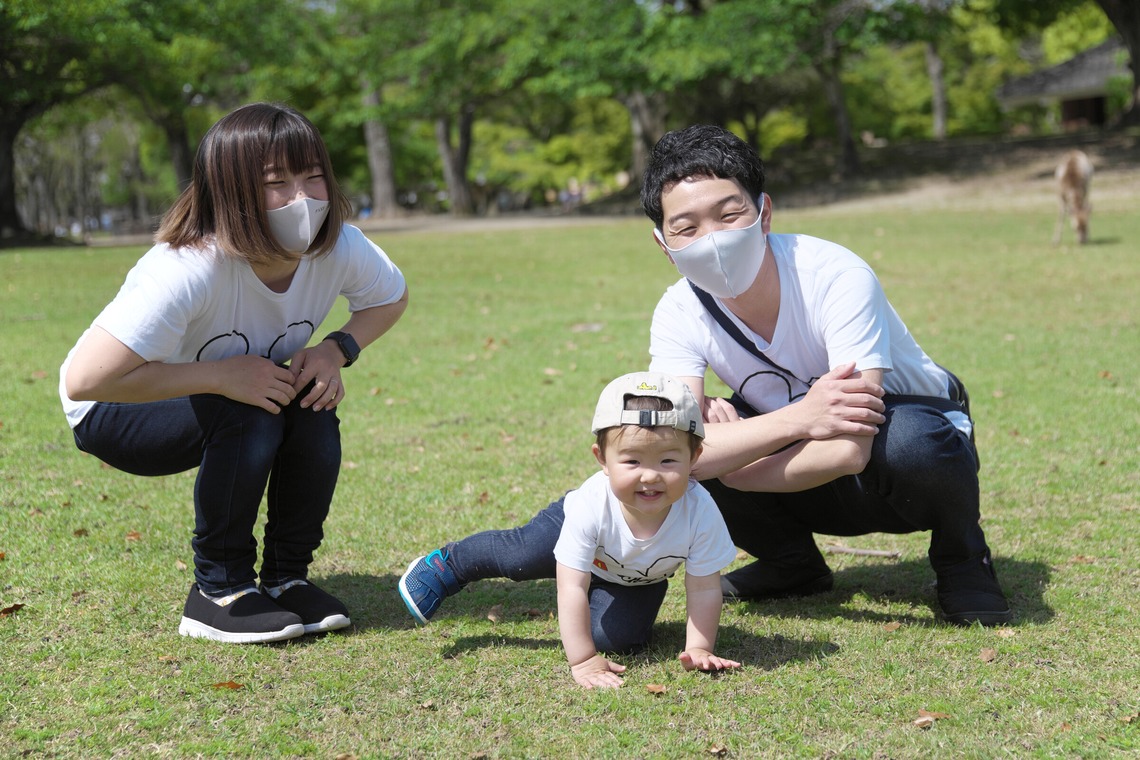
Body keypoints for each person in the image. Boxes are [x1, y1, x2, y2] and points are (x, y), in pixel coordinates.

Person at [59, 103, 409, 644]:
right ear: (231, 190)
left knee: (308, 399)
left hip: (232, 393)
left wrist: (336, 350)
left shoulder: (338, 247)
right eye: (277, 182)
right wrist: (221, 377)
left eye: (313, 175)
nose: (303, 197)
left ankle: (286, 579)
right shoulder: (189, 267)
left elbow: (390, 297)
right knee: (249, 406)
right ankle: (216, 592)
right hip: (114, 410)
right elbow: (86, 381)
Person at [640, 124, 1010, 626]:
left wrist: (728, 465)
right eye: (687, 227)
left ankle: (964, 558)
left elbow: (849, 447)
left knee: (910, 440)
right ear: (664, 243)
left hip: (895, 465)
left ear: (764, 213)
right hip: (801, 462)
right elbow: (674, 450)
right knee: (690, 446)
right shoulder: (677, 311)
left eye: (730, 215)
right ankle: (791, 565)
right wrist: (800, 419)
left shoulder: (833, 274)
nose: (714, 239)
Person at [399, 372, 741, 688]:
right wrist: (582, 660)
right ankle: (449, 564)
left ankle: (603, 597)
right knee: (522, 555)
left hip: (634, 577)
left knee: (615, 641)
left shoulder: (700, 511)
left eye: (668, 461)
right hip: (568, 532)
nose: (649, 476)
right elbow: (572, 586)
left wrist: (699, 647)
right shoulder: (591, 505)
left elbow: (703, 588)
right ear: (602, 459)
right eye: (632, 461)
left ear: (694, 456)